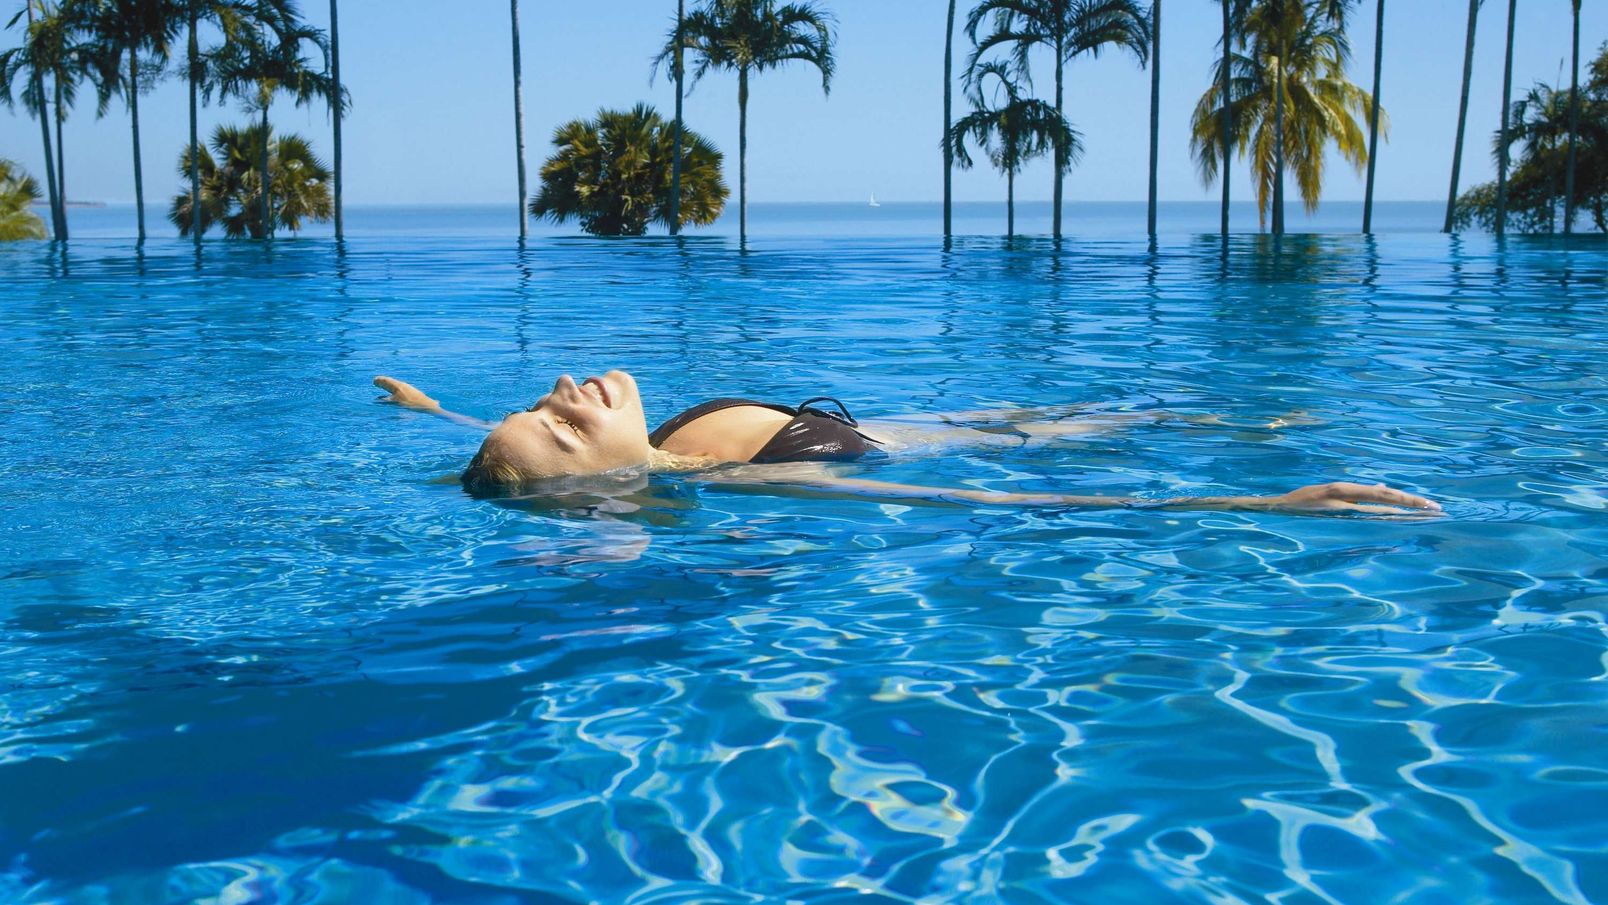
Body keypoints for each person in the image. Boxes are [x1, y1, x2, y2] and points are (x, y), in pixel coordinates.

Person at [372, 371, 1441, 516]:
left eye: (540, 396)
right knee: (1075, 435)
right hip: (929, 450)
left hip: (900, 418)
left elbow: (500, 451)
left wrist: (437, 413)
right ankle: (1257, 440)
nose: (564, 388)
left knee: (1113, 416)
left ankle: (1243, 417)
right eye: (563, 418)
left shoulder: (640, 447)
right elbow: (986, 508)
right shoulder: (753, 486)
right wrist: (1262, 506)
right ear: (599, 472)